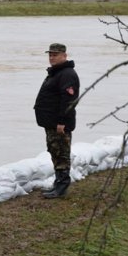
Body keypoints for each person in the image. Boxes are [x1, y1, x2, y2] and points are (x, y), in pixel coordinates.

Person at [34, 43, 80, 199]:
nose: (52, 57)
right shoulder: (56, 72)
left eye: (55, 55)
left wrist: (61, 122)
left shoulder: (67, 74)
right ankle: (58, 183)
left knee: (61, 153)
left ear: (64, 56)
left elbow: (68, 101)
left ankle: (62, 186)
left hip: (59, 124)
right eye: (50, 55)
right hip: (51, 123)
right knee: (55, 151)